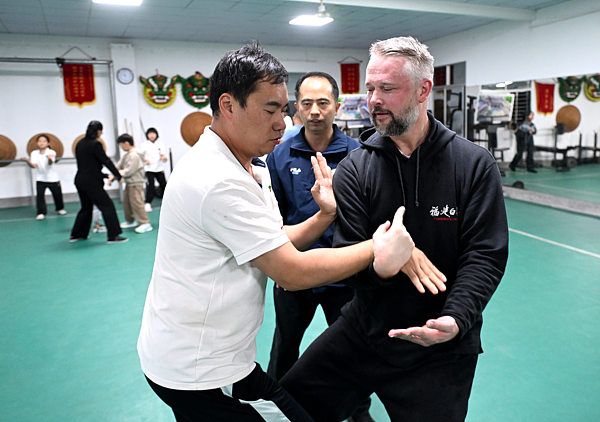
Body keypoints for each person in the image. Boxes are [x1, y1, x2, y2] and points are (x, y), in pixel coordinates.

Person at [137, 43, 415, 422]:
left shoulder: (251, 166)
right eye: (270, 110)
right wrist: (379, 248)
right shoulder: (217, 179)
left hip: (216, 357)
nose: (282, 123)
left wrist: (324, 215)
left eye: (283, 110)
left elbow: (273, 238)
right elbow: (290, 272)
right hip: (200, 370)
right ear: (228, 105)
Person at [281, 36, 509, 422]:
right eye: (370, 88)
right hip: (367, 329)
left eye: (387, 89)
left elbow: (484, 255)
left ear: (423, 90)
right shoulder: (355, 169)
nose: (374, 100)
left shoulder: (472, 165)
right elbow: (348, 255)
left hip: (439, 343)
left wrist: (455, 319)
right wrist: (382, 265)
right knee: (289, 407)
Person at [265, 71, 373, 422]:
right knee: (285, 346)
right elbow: (274, 221)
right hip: (294, 272)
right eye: (307, 103)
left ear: (337, 107)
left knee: (352, 350)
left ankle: (358, 411)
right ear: (296, 107)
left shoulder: (359, 155)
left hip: (344, 273)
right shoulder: (279, 156)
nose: (315, 111)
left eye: (323, 103)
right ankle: (276, 408)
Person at [70, 120, 128, 243]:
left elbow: (87, 165)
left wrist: (104, 175)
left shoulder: (80, 143)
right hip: (91, 182)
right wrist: (118, 175)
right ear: (98, 131)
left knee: (86, 208)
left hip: (80, 180)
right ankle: (113, 236)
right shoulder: (95, 144)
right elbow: (105, 161)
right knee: (107, 206)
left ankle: (77, 234)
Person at [110, 134, 153, 234]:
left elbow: (129, 171)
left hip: (136, 183)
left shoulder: (134, 155)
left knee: (137, 203)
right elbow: (119, 166)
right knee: (127, 203)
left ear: (126, 143)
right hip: (129, 183)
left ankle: (145, 223)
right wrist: (113, 174)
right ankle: (130, 220)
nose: (121, 147)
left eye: (121, 145)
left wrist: (115, 175)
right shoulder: (127, 155)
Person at [21, 134, 67, 220]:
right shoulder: (34, 153)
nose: (41, 143)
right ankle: (41, 213)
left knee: (57, 195)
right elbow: (33, 166)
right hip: (40, 178)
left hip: (53, 178)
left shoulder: (51, 152)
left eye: (44, 141)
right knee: (40, 196)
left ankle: (60, 209)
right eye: (40, 141)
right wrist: (27, 161)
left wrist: (49, 159)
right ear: (37, 143)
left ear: (48, 143)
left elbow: (50, 163)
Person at [140, 127, 168, 212]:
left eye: (153, 133)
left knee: (164, 185)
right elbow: (140, 156)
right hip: (149, 169)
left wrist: (164, 158)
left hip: (159, 168)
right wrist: (144, 160)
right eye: (150, 134)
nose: (152, 135)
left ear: (156, 134)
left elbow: (164, 157)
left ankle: (167, 203)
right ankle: (147, 203)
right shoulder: (144, 145)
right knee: (150, 186)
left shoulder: (160, 144)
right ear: (147, 135)